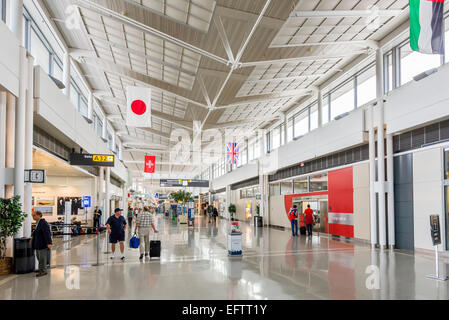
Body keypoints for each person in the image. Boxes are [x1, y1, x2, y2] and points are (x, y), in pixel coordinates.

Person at [30, 211, 53, 277]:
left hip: (42, 243)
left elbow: (47, 233)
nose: (33, 217)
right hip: (38, 243)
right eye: (32, 215)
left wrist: (49, 243)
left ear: (39, 215)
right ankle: (40, 269)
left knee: (42, 258)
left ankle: (43, 271)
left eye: (34, 215)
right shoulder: (38, 223)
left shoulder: (43, 223)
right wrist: (32, 237)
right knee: (39, 257)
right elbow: (36, 232)